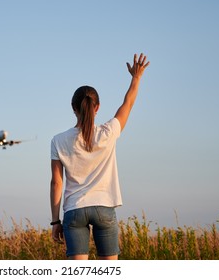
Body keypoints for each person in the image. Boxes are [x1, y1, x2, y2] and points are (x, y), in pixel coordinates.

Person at [50, 53, 150, 260]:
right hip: (104, 208)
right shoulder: (108, 132)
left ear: (73, 108)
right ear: (97, 108)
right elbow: (128, 103)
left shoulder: (58, 140)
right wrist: (136, 77)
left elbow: (56, 183)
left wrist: (55, 222)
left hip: (74, 210)